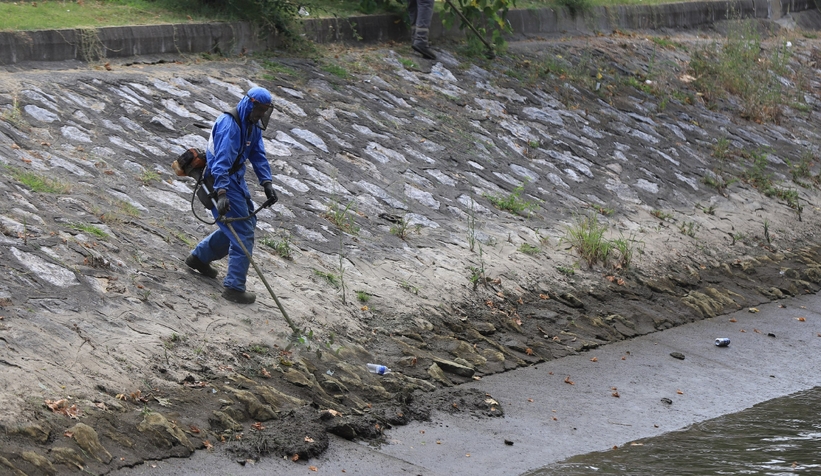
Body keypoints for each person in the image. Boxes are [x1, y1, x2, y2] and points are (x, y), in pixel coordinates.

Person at [185, 86, 278, 304]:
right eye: (259, 109)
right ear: (249, 104)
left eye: (264, 111)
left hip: (235, 179)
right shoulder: (230, 125)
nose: (261, 114)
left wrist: (267, 183)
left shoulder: (253, 125)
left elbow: (258, 154)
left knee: (244, 223)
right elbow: (221, 163)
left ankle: (199, 258)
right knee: (242, 230)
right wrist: (222, 193)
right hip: (221, 179)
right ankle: (234, 287)